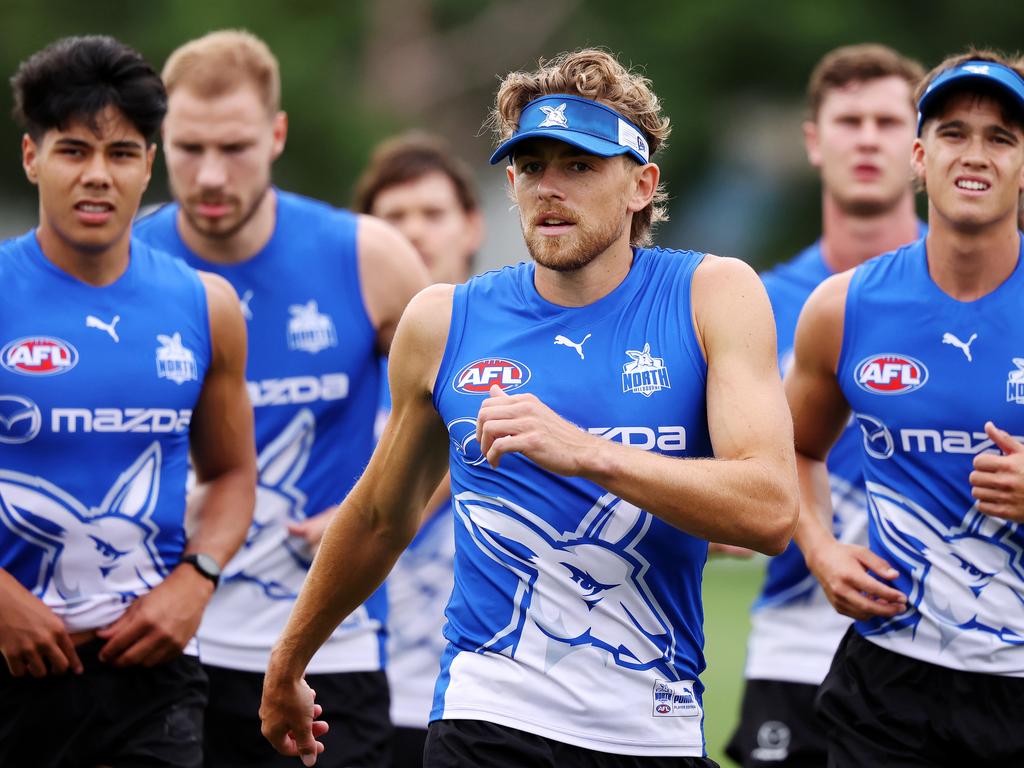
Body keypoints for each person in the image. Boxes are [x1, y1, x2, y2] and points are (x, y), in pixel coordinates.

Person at [260, 48, 799, 767]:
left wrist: (587, 451)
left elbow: (768, 511)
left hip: (652, 725)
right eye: (532, 166)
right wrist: (289, 661)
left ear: (641, 185)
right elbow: (382, 517)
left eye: (579, 166)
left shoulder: (712, 295)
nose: (550, 187)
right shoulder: (443, 321)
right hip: (486, 716)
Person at [133, 30, 428, 768]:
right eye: (187, 147)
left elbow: (461, 411)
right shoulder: (126, 268)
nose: (207, 175)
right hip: (165, 646)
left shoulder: (367, 255)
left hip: (329, 653)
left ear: (277, 133)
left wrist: (385, 500)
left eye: (233, 148)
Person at [0, 35, 256, 768]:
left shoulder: (205, 306)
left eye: (120, 154)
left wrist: (196, 579)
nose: (97, 177)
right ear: (32, 157)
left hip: (152, 686)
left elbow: (233, 476)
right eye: (73, 151)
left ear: (149, 165)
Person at [788, 50, 1024, 766]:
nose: (974, 155)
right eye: (954, 133)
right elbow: (792, 450)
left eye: (1001, 138)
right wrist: (822, 550)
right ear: (919, 157)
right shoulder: (843, 306)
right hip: (886, 685)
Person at [725, 44, 924, 768]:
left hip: (951, 648)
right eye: (848, 120)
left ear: (920, 144)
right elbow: (711, 476)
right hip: (797, 650)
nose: (867, 137)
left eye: (887, 120)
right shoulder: (750, 304)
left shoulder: (987, 289)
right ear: (814, 140)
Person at [353, 131, 483, 768]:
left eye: (432, 214)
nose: (413, 233)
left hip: (481, 693)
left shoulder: (516, 357)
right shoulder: (340, 372)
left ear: (472, 225)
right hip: (354, 676)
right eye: (392, 218)